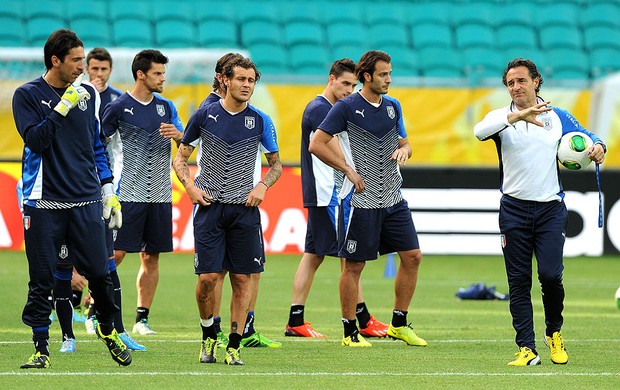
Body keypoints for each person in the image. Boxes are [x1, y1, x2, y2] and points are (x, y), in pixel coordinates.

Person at [473, 58, 606, 366]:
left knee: (550, 276)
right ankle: (526, 348)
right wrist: (516, 117)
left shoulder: (557, 116)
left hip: (550, 211)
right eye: (510, 83)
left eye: (521, 80)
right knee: (518, 282)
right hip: (514, 210)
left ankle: (554, 333)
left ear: (536, 81)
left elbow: (591, 137)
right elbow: (479, 132)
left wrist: (598, 147)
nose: (516, 87)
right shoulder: (501, 117)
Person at [12, 28, 131, 368]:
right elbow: (36, 140)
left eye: (84, 59)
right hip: (44, 203)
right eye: (77, 60)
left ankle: (108, 331)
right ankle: (40, 348)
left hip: (86, 201)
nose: (84, 67)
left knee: (101, 274)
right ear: (55, 61)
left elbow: (95, 145)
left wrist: (108, 190)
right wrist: (60, 108)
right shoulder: (27, 95)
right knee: (42, 279)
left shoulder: (89, 96)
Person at [308, 50, 427, 348]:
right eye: (383, 74)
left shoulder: (393, 107)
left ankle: (399, 324)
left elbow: (405, 143)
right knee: (354, 267)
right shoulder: (346, 108)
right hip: (359, 200)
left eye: (390, 74)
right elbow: (316, 144)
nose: (388, 79)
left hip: (392, 197)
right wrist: (347, 169)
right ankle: (350, 331)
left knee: (412, 256)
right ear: (366, 77)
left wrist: (405, 151)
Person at [173, 55, 282, 366]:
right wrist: (190, 187)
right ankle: (209, 335)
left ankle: (233, 344)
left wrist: (262, 186)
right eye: (241, 80)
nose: (246, 85)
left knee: (243, 280)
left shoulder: (261, 120)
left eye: (251, 81)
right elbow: (180, 159)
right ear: (225, 81)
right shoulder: (204, 116)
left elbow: (275, 166)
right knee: (208, 278)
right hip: (210, 208)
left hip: (244, 211)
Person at [285, 58, 389, 338]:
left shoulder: (329, 108)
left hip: (322, 193)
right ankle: (363, 319)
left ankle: (296, 319)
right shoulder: (320, 109)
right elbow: (335, 150)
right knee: (350, 257)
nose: (349, 90)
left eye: (353, 85)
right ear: (330, 79)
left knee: (315, 255)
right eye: (344, 83)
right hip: (328, 193)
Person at [102, 49, 184, 336]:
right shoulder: (118, 107)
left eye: (163, 73)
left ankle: (141, 319)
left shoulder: (167, 107)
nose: (163, 78)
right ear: (141, 74)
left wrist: (180, 136)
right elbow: (98, 145)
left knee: (152, 258)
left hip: (160, 195)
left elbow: (187, 143)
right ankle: (94, 307)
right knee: (117, 253)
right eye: (157, 73)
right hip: (128, 194)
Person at [85, 47, 146, 351]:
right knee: (69, 257)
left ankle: (106, 318)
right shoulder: (76, 97)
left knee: (112, 254)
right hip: (77, 187)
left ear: (110, 70)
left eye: (103, 69)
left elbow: (113, 146)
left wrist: (116, 185)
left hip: (109, 187)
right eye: (93, 69)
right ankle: (77, 314)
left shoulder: (118, 102)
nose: (98, 74)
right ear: (85, 69)